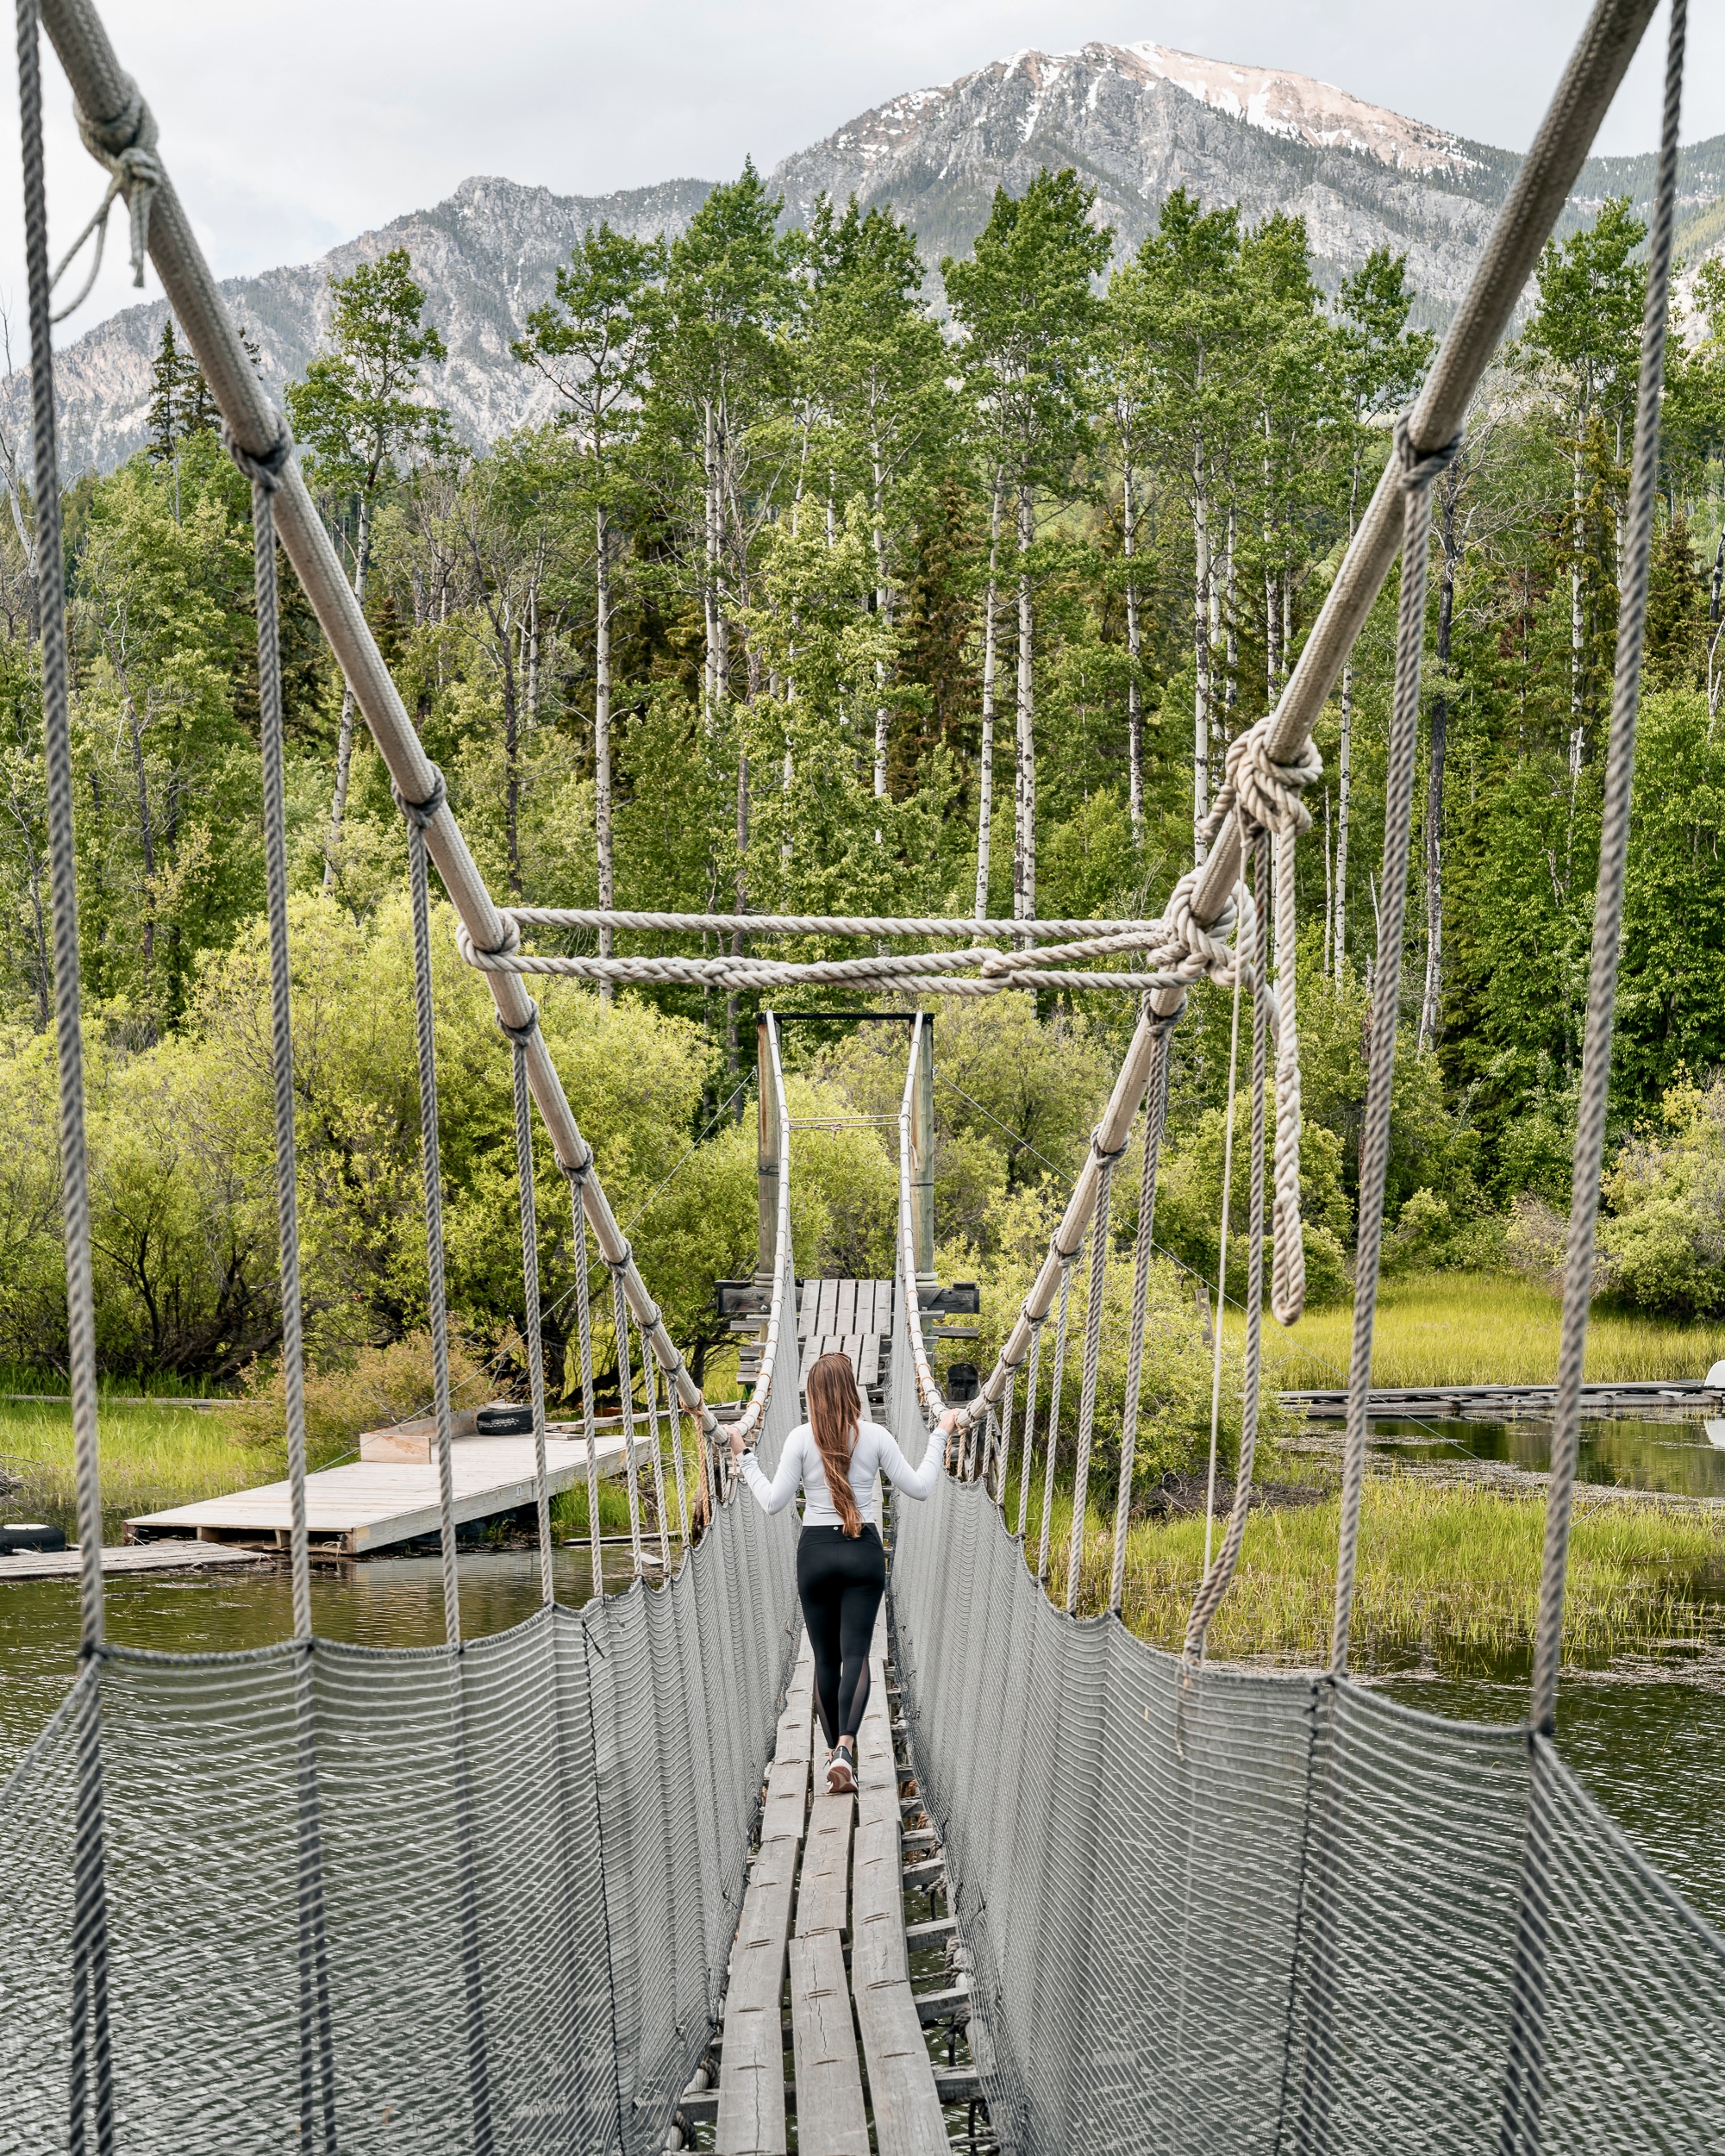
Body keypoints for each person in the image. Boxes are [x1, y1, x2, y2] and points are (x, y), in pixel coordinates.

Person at [732, 1351, 957, 1796]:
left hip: (814, 1555)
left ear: (812, 1396)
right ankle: (845, 1750)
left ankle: (837, 1753)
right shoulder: (874, 1436)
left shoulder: (799, 1438)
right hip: (862, 1553)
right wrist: (939, 1434)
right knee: (856, 1655)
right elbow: (921, 1488)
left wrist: (746, 1459)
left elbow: (774, 1502)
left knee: (824, 1660)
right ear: (852, 1390)